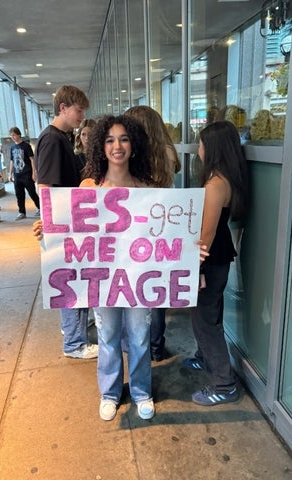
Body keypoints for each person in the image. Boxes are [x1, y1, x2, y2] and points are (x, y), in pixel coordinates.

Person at [80, 114, 156, 421]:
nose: (117, 145)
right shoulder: (89, 186)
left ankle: (141, 391)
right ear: (101, 147)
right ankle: (109, 392)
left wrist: (188, 247)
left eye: (124, 138)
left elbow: (162, 232)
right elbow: (74, 231)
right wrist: (49, 230)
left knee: (139, 336)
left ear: (133, 146)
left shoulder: (149, 188)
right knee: (107, 334)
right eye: (110, 139)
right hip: (104, 277)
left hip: (138, 277)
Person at [183, 120, 248, 406]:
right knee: (211, 315)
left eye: (200, 143)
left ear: (212, 148)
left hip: (210, 261)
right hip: (220, 258)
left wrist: (196, 270)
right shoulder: (228, 178)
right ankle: (204, 358)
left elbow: (204, 237)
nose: (197, 148)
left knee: (204, 321)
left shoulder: (215, 184)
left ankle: (225, 385)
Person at [34, 84, 98, 360]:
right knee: (73, 280)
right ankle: (75, 343)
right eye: (79, 110)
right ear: (63, 107)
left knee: (71, 280)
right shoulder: (52, 139)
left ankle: (73, 331)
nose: (82, 116)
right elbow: (44, 186)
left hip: (66, 219)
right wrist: (52, 222)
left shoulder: (60, 137)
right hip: (65, 221)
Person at [124, 105, 181, 361]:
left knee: (137, 286)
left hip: (137, 227)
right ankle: (156, 345)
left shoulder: (138, 156)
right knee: (156, 288)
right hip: (162, 228)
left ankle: (140, 344)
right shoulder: (167, 153)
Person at [8, 127, 40, 220]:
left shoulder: (26, 146)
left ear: (18, 134)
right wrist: (10, 174)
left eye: (14, 135)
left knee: (32, 192)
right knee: (19, 194)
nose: (12, 137)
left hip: (26, 173)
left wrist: (34, 172)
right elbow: (11, 161)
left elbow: (32, 159)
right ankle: (22, 212)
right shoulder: (12, 147)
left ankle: (39, 207)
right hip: (17, 175)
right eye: (11, 136)